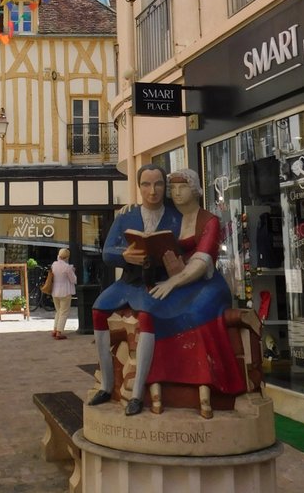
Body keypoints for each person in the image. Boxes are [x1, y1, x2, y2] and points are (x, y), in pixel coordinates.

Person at [144, 169, 246, 418]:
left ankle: (206, 383)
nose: (176, 193)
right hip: (176, 282)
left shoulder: (209, 221)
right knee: (154, 312)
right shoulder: (171, 219)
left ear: (196, 189)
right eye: (173, 188)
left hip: (207, 284)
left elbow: (201, 263)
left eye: (182, 187)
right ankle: (158, 382)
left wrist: (174, 280)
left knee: (196, 313)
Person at [89, 164, 182, 414]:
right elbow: (107, 252)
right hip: (127, 283)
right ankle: (107, 384)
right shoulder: (126, 216)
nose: (152, 190)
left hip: (158, 284)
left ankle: (137, 393)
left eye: (158, 184)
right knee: (97, 310)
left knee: (147, 317)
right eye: (146, 184)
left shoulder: (177, 216)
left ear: (165, 186)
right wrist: (125, 256)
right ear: (139, 187)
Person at [49, 247, 77, 340]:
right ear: (67, 257)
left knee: (58, 311)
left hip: (55, 291)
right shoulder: (67, 267)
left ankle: (55, 329)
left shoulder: (54, 265)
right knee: (64, 312)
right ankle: (59, 332)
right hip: (65, 291)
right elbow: (73, 280)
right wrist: (73, 271)